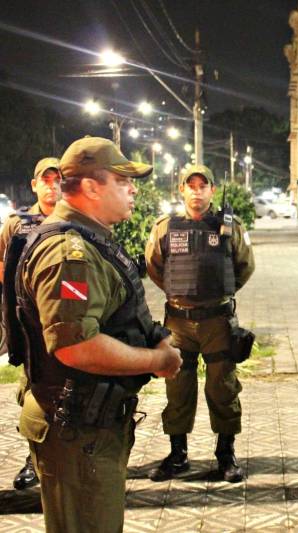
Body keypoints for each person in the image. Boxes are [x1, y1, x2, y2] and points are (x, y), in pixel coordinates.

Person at [6, 136, 182, 532]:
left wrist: (154, 336)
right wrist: (157, 361)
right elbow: (75, 346)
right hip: (76, 431)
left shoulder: (89, 240)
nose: (133, 188)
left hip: (88, 424)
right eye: (122, 180)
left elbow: (111, 317)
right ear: (90, 186)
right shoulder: (70, 253)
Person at [145, 164, 255, 483]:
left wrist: (217, 291)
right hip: (178, 321)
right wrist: (181, 292)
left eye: (202, 185)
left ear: (212, 190)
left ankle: (226, 456)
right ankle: (177, 455)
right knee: (178, 389)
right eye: (190, 185)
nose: (196, 190)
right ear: (181, 190)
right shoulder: (164, 228)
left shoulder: (229, 227)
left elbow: (244, 265)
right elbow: (155, 267)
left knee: (223, 388)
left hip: (217, 321)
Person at [0, 157, 61, 490]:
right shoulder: (16, 223)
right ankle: (33, 460)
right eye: (46, 179)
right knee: (33, 394)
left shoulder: (77, 220)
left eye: (58, 179)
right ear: (34, 184)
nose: (52, 185)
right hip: (29, 326)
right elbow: (2, 268)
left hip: (67, 324)